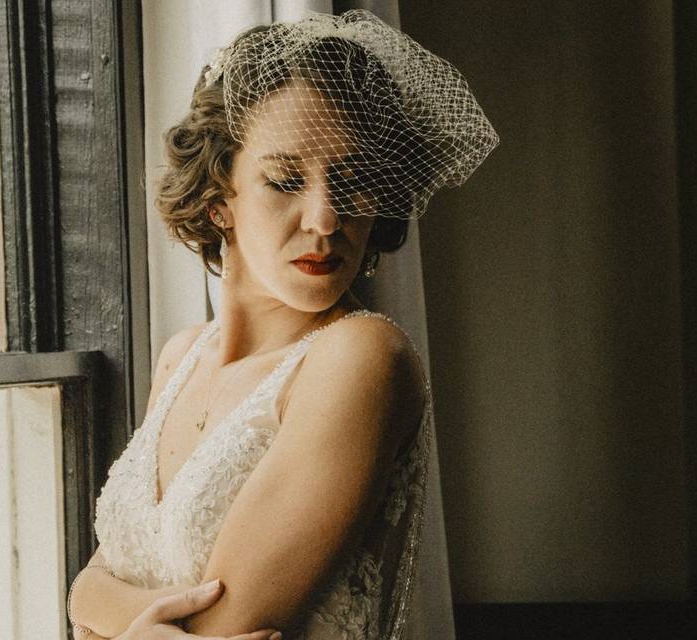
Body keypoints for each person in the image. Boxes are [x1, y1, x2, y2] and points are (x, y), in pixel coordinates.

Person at [67, 9, 497, 639]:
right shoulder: (180, 356)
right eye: (286, 180)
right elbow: (99, 578)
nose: (325, 218)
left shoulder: (362, 356)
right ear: (219, 202)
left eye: (352, 180)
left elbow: (221, 628)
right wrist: (89, 596)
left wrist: (92, 602)